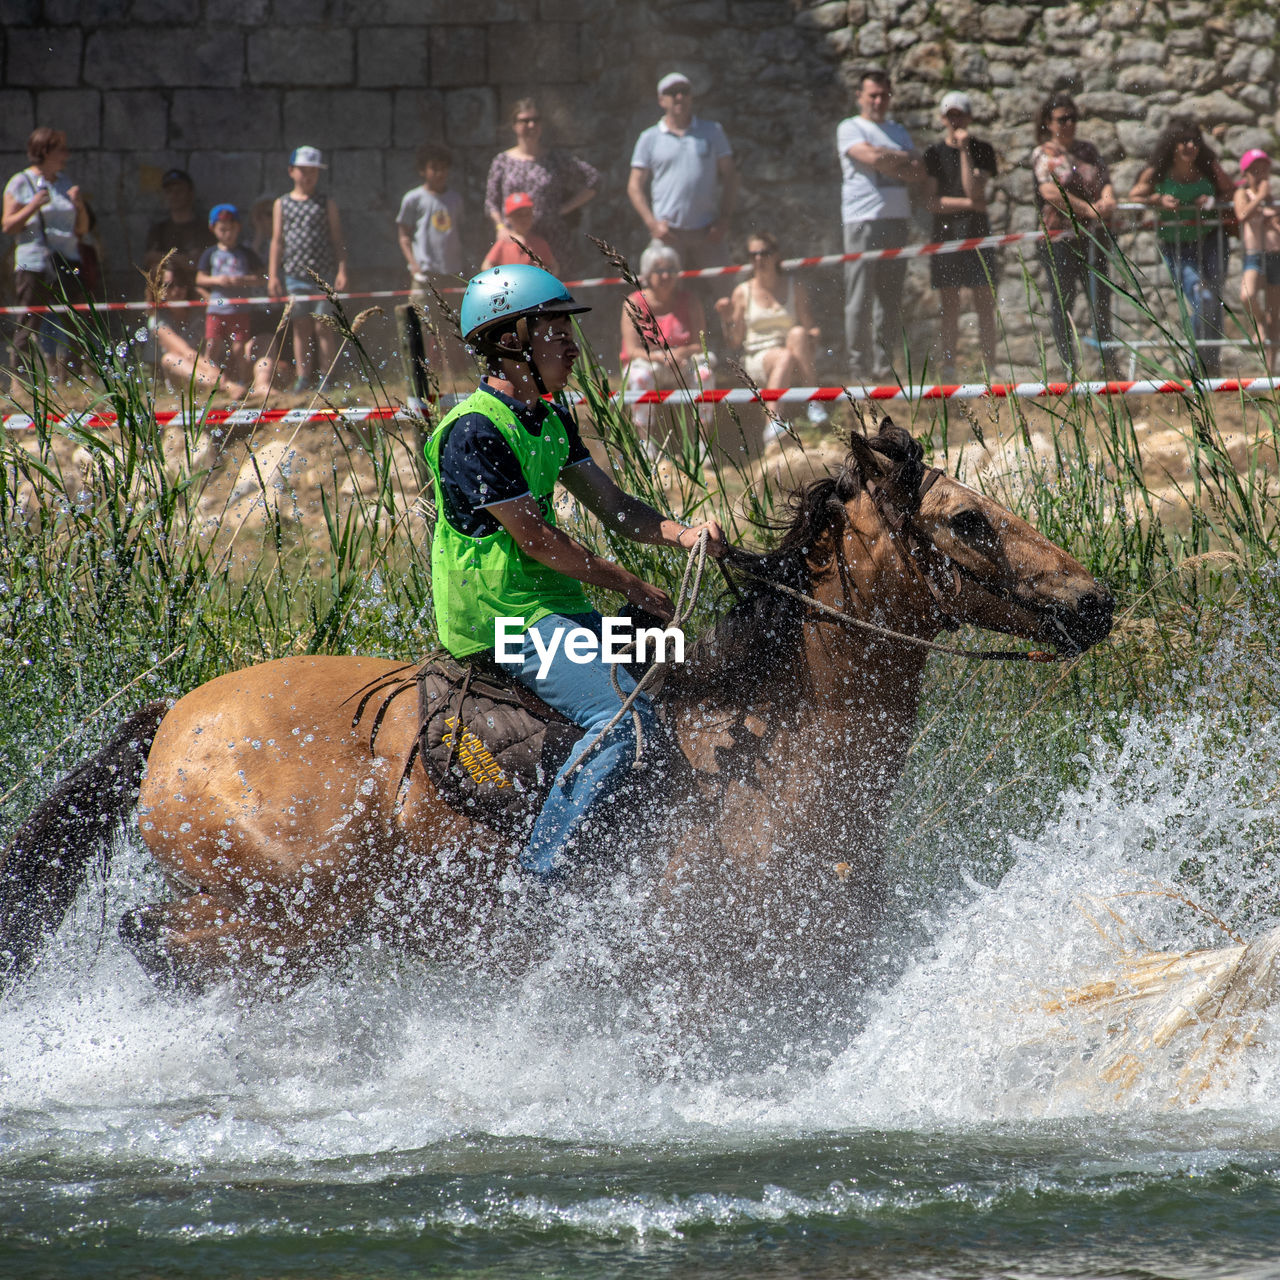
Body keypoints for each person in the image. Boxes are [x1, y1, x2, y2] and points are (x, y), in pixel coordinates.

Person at [424, 264, 726, 881]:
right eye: (553, 330)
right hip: (502, 623)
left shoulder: (553, 419)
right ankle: (539, 884)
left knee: (687, 674)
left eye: (567, 330)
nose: (568, 344)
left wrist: (681, 532)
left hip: (555, 612)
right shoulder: (474, 430)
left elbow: (614, 508)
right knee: (623, 722)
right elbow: (537, 540)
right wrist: (632, 585)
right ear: (510, 341)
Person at [1129, 116, 1235, 377]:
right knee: (1204, 298)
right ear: (1172, 144)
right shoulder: (1157, 171)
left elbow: (1230, 193)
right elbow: (1134, 196)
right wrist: (1156, 199)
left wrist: (1211, 200)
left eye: (1195, 141)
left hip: (1211, 240)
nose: (1191, 146)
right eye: (1184, 141)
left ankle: (1211, 365)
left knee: (1213, 302)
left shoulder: (1208, 167)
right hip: (1177, 246)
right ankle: (1197, 366)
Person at [837, 70, 924, 383]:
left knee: (890, 299)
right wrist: (900, 158)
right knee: (858, 298)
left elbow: (918, 171)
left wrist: (888, 159)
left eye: (884, 95)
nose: (878, 101)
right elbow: (872, 157)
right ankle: (858, 369)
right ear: (860, 96)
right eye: (872, 94)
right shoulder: (849, 128)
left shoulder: (897, 130)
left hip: (896, 221)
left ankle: (884, 369)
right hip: (863, 221)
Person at [1030, 92, 1119, 378]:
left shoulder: (1088, 151)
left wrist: (1107, 201)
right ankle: (1070, 368)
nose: (1068, 124)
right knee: (1063, 302)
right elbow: (1050, 192)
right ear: (1048, 122)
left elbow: (1105, 181)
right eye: (1062, 119)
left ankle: (1109, 366)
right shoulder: (1044, 154)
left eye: (1072, 118)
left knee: (1101, 300)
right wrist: (1089, 210)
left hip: (1093, 239)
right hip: (1059, 241)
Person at [714, 232, 826, 436]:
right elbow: (734, 341)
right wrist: (726, 318)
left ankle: (814, 402)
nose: (758, 259)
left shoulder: (795, 287)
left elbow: (811, 326)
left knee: (799, 333)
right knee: (784, 355)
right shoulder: (742, 291)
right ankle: (772, 424)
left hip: (792, 354)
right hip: (758, 357)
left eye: (764, 253)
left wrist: (814, 335)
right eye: (753, 255)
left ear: (776, 255)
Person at [2, 126, 89, 381]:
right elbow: (8, 225)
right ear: (45, 150)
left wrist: (79, 206)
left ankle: (72, 381)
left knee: (75, 322)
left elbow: (81, 229)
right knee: (29, 322)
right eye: (61, 148)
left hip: (67, 260)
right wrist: (33, 205)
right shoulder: (21, 182)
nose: (66, 154)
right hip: (34, 262)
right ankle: (23, 382)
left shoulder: (64, 183)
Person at [628, 72, 737, 274]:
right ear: (661, 100)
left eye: (684, 91)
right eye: (672, 92)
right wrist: (652, 224)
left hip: (709, 231)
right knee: (658, 290)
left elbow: (730, 175)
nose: (679, 97)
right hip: (667, 234)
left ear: (691, 97)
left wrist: (724, 220)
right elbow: (634, 185)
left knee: (727, 289)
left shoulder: (712, 131)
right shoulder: (649, 138)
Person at [923, 90, 999, 377]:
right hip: (945, 235)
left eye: (960, 114)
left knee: (984, 301)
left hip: (978, 233)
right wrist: (970, 205)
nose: (955, 120)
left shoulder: (982, 150)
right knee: (950, 304)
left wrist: (965, 150)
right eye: (950, 115)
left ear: (968, 117)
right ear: (943, 118)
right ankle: (949, 366)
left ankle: (990, 366)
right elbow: (931, 202)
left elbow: (974, 189)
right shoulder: (933, 154)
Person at [484, 99, 599, 275]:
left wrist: (564, 209)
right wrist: (500, 228)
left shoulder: (556, 158)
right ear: (514, 125)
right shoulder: (502, 162)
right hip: (515, 243)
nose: (531, 125)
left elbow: (594, 180)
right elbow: (491, 202)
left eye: (536, 120)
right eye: (525, 120)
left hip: (552, 242)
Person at [619, 241, 716, 445]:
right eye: (659, 270)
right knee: (640, 378)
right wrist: (659, 357)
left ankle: (702, 443)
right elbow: (631, 350)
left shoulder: (690, 301)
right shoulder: (634, 302)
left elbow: (701, 345)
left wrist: (680, 353)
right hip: (649, 362)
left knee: (704, 374)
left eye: (671, 270)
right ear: (647, 275)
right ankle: (646, 445)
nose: (665, 276)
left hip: (682, 362)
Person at [268, 145, 348, 393]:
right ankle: (303, 377)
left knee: (324, 326)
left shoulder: (326, 203)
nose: (308, 175)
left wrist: (342, 270)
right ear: (291, 171)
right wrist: (273, 275)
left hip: (323, 274)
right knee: (300, 327)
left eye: (313, 170)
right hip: (294, 276)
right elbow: (277, 240)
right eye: (303, 170)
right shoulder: (281, 203)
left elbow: (337, 239)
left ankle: (327, 377)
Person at [144, 260, 279, 401]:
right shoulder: (157, 320)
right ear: (157, 289)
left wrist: (205, 297)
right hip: (196, 377)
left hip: (221, 368)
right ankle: (227, 388)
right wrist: (217, 375)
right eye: (169, 286)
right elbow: (186, 352)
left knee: (265, 340)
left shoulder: (199, 305)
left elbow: (227, 316)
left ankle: (262, 386)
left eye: (181, 283)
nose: (177, 290)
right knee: (169, 359)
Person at [396, 142, 465, 390]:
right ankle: (423, 375)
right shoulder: (413, 198)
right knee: (423, 326)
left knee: (450, 326)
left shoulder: (455, 198)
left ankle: (452, 377)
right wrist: (413, 264)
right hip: (424, 275)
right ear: (423, 170)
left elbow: (459, 233)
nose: (439, 173)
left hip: (450, 272)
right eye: (434, 168)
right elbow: (403, 233)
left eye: (444, 168)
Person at [195, 203, 265, 376]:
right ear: (213, 229)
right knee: (212, 346)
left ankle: (242, 379)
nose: (227, 233)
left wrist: (242, 280)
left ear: (238, 228)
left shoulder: (246, 253)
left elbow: (262, 278)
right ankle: (208, 379)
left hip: (240, 309)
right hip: (216, 309)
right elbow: (199, 279)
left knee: (239, 347)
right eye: (222, 229)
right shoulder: (210, 253)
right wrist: (217, 279)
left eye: (231, 229)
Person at [1234, 149, 1280, 373]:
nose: (1260, 174)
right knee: (1247, 294)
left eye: (1263, 170)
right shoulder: (1243, 194)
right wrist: (1260, 198)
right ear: (1246, 173)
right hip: (1254, 254)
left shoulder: (1275, 199)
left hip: (1275, 255)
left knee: (1275, 314)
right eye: (1254, 170)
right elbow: (1242, 215)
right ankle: (1258, 322)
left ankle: (1270, 371)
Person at [143, 169, 214, 276]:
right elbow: (149, 260)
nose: (173, 196)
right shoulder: (159, 229)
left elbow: (198, 263)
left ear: (190, 193)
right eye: (169, 191)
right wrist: (183, 259)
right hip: (167, 288)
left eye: (179, 191)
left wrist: (165, 258)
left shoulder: (204, 228)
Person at [481, 192, 559, 274]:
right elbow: (486, 266)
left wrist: (546, 278)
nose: (524, 219)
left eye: (527, 214)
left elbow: (554, 267)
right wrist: (501, 279)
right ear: (509, 218)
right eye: (518, 215)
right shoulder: (504, 242)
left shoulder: (540, 243)